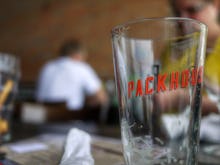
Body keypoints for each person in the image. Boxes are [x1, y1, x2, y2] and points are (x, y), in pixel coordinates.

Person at [168, 0, 220, 143]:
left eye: (193, 10)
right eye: (177, 13)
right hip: (172, 142)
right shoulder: (172, 50)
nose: (183, 19)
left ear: (216, 5)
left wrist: (183, 98)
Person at [36, 39, 108, 111]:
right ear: (77, 55)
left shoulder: (47, 67)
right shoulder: (81, 67)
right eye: (83, 57)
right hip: (71, 118)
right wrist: (87, 104)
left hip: (42, 119)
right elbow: (102, 98)